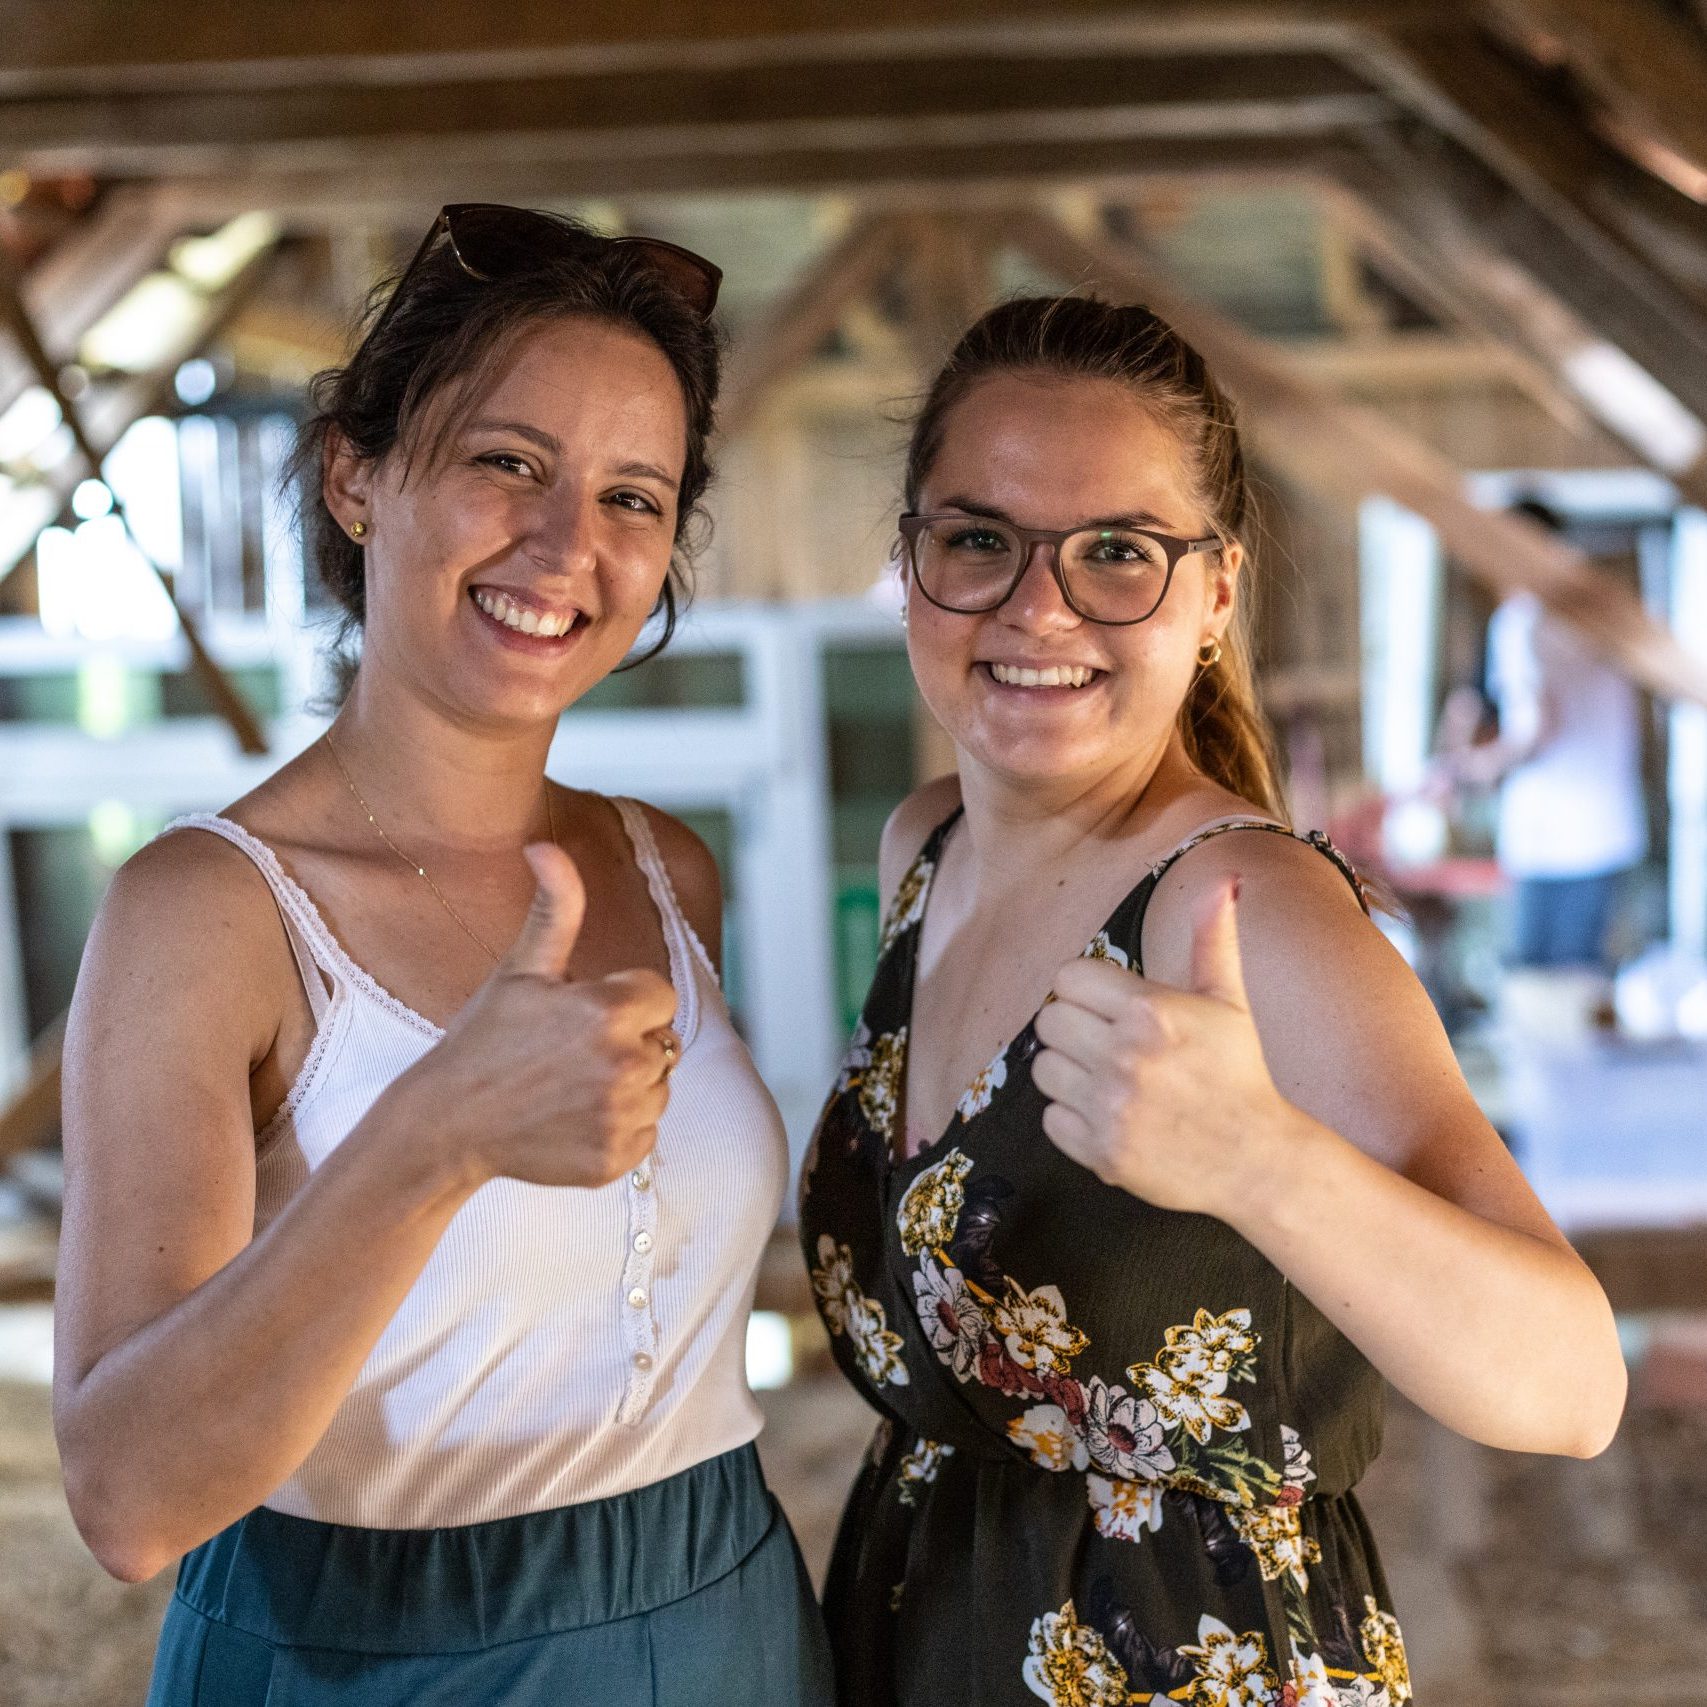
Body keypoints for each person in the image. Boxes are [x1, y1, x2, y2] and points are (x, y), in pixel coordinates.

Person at [54, 205, 831, 1706]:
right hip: (370, 1656)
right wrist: (436, 1135)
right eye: (507, 462)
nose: (566, 544)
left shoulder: (665, 870)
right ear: (355, 475)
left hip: (723, 1617)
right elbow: (126, 1502)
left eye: (632, 495)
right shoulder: (205, 913)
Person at [798, 297, 1626, 1706]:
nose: (1037, 607)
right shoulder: (924, 848)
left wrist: (1260, 1161)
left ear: (1216, 592)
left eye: (1117, 551)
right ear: (910, 563)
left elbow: (1572, 1386)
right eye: (979, 539)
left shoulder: (1243, 909)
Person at [1446, 499, 1649, 972]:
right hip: (1605, 829)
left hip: (1552, 838)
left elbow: (1537, 729)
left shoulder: (1523, 618)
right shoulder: (1599, 609)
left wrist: (1477, 768)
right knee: (1580, 981)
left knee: (1540, 985)